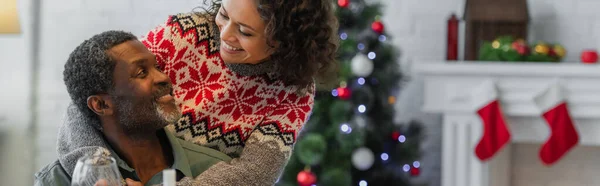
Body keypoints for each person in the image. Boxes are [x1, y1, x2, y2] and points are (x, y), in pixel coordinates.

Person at [59, 0, 339, 185]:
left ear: (285, 41)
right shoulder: (185, 33)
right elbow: (93, 97)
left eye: (244, 31)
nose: (225, 35)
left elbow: (255, 173)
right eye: (224, 15)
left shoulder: (293, 92)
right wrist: (98, 173)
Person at [34, 31, 231, 186]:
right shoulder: (56, 181)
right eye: (141, 72)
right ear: (101, 104)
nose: (163, 78)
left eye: (157, 67)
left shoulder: (214, 169)